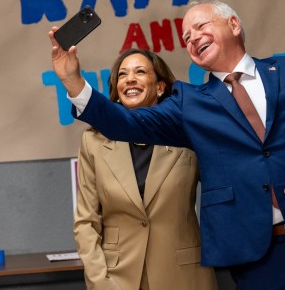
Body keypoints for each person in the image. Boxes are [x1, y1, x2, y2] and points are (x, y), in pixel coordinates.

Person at [50, 0, 285, 289]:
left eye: (200, 26)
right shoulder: (189, 103)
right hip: (258, 259)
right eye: (186, 39)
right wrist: (72, 81)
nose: (193, 38)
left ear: (233, 24)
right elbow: (124, 122)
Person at [73, 49, 218, 290]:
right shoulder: (94, 141)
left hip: (184, 276)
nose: (129, 79)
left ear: (161, 87)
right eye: (122, 74)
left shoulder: (188, 133)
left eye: (140, 71)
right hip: (118, 278)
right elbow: (86, 221)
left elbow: (223, 188)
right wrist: (99, 281)